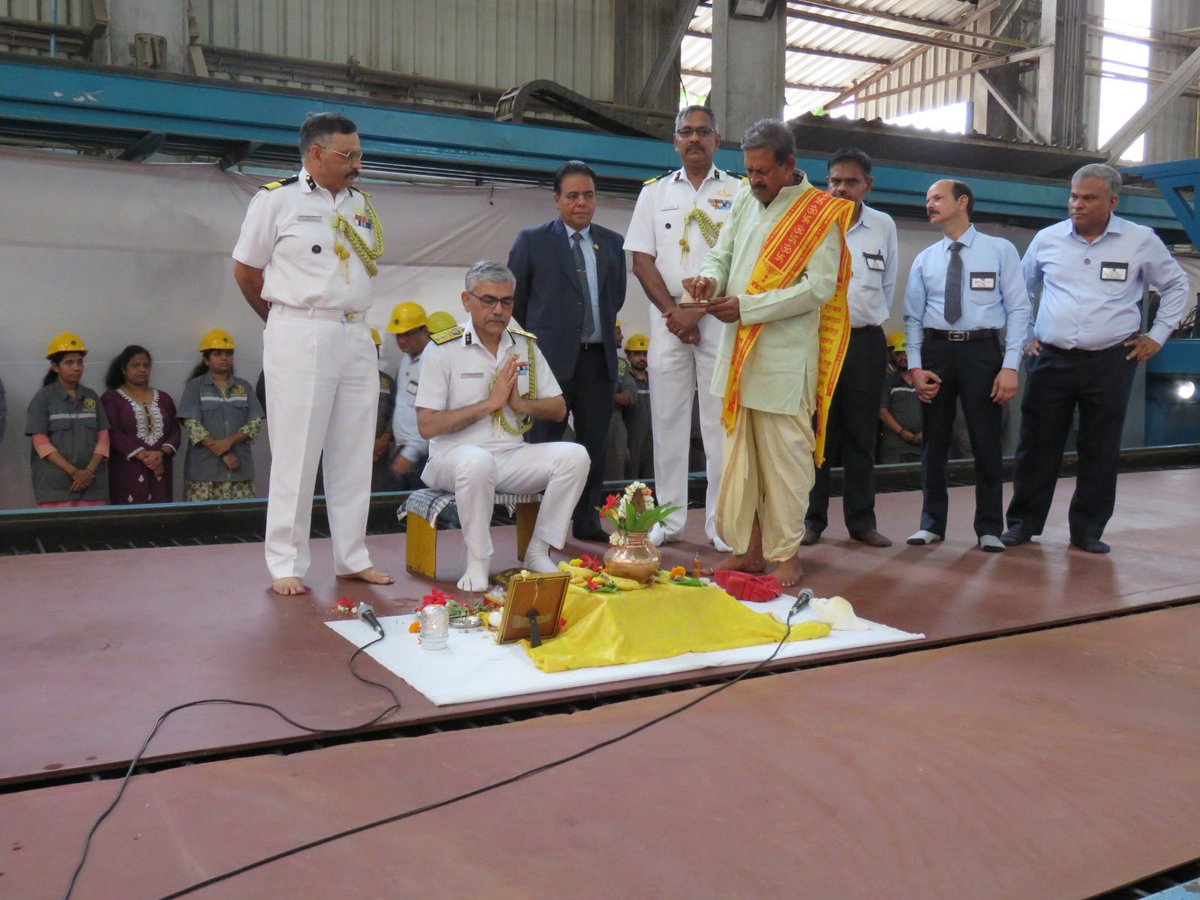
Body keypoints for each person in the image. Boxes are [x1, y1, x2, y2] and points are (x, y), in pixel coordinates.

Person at [232, 111, 393, 595]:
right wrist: (283, 323)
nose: (357, 163)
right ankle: (286, 562)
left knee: (352, 450)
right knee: (297, 452)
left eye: (359, 153)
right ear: (316, 153)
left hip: (355, 333)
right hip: (300, 331)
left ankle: (352, 555)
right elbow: (246, 271)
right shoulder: (276, 200)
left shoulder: (361, 203)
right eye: (348, 155)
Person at [688, 119, 854, 587]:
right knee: (740, 463)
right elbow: (722, 253)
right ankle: (750, 549)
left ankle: (787, 556)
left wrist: (748, 307)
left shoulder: (820, 213)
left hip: (783, 360)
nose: (755, 179)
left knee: (785, 465)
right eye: (750, 171)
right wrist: (709, 280)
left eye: (763, 171)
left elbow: (818, 288)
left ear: (790, 166)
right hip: (738, 352)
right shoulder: (744, 197)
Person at [1002, 163, 1189, 553]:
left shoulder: (1139, 240)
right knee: (1036, 445)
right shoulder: (1048, 239)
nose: (1077, 205)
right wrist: (1028, 336)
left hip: (1109, 362)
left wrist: (1157, 336)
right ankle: (1022, 524)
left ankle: (1087, 531)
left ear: (1112, 201)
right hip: (1050, 359)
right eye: (1073, 196)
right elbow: (1020, 292)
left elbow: (1175, 285)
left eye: (1088, 198)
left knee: (1100, 448)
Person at [415, 260, 590, 591]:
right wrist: (489, 404)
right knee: (476, 461)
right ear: (466, 301)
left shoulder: (523, 345)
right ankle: (478, 561)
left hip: (510, 454)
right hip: (451, 458)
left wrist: (520, 405)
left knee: (575, 456)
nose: (498, 310)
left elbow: (558, 407)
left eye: (506, 302)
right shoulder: (442, 349)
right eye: (488, 300)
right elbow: (427, 425)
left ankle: (539, 551)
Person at [624, 104, 737, 550]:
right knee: (667, 422)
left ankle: (720, 524)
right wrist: (676, 314)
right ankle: (667, 522)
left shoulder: (740, 192)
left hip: (717, 317)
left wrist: (698, 312)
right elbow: (641, 260)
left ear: (717, 140)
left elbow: (739, 259)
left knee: (717, 426)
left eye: (703, 131)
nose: (694, 138)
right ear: (675, 140)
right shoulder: (653, 194)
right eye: (686, 132)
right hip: (668, 318)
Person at [902, 179, 1031, 552]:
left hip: (982, 352)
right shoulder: (926, 258)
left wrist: (1010, 366)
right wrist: (914, 367)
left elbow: (1020, 309)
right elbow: (912, 317)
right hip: (937, 351)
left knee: (986, 441)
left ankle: (989, 527)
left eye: (937, 198)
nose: (930, 204)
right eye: (926, 199)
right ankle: (931, 524)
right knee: (935, 442)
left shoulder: (999, 250)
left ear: (962, 201)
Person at [508, 159, 626, 543]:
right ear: (556, 200)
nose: (581, 203)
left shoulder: (611, 242)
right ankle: (542, 525)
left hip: (597, 360)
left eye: (588, 195)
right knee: (544, 443)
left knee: (594, 442)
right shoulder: (532, 240)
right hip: (548, 362)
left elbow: (616, 297)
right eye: (572, 196)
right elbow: (517, 302)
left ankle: (587, 519)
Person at [802, 148, 897, 548]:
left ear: (867, 185)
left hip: (864, 341)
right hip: (818, 341)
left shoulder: (883, 225)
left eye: (850, 182)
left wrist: (867, 318)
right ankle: (810, 521)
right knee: (815, 434)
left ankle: (861, 521)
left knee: (862, 433)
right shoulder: (809, 223)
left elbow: (888, 283)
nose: (841, 188)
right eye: (835, 181)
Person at [178, 329, 264, 502]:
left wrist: (228, 442)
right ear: (206, 359)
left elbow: (254, 423)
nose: (224, 358)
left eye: (228, 354)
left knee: (239, 524)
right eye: (218, 354)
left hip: (239, 471)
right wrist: (223, 453)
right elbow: (192, 425)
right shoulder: (195, 387)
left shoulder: (244, 387)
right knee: (203, 523)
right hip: (203, 473)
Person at [25, 332, 109, 508]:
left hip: (92, 486)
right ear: (55, 366)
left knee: (93, 534)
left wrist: (87, 472)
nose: (76, 368)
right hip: (55, 489)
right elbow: (40, 443)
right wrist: (74, 472)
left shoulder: (91, 397)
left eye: (79, 362)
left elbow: (104, 438)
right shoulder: (43, 399)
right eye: (69, 363)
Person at [101, 344, 181, 504]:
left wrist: (161, 453)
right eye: (135, 365)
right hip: (127, 467)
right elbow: (112, 432)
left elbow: (175, 431)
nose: (142, 369)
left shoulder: (164, 398)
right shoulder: (111, 398)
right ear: (124, 369)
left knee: (160, 515)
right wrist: (141, 454)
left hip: (160, 466)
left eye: (146, 365)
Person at [387, 301, 432, 490]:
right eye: (398, 335)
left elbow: (433, 415)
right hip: (403, 450)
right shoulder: (407, 358)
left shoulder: (433, 361)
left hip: (421, 454)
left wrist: (411, 453)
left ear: (424, 331)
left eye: (408, 334)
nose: (402, 340)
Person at [878, 331, 923, 464]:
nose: (902, 357)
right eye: (898, 354)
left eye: (906, 352)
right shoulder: (888, 381)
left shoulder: (924, 379)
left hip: (922, 446)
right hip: (894, 449)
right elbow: (882, 411)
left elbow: (936, 409)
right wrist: (903, 432)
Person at [605, 321, 636, 482]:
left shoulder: (621, 365)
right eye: (618, 332)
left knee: (616, 476)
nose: (621, 336)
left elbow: (631, 396)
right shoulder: (584, 361)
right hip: (591, 423)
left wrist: (603, 397)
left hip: (616, 426)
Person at [368, 326, 398, 491]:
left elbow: (394, 413)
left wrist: (382, 442)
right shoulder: (345, 383)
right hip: (351, 454)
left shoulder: (386, 381)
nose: (375, 352)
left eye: (377, 348)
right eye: (371, 348)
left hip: (380, 454)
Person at [623, 333, 653, 478]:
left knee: (652, 485)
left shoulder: (656, 380)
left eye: (645, 353)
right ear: (628, 355)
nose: (642, 358)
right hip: (632, 442)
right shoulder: (623, 380)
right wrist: (622, 444)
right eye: (637, 354)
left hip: (653, 443)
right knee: (631, 487)